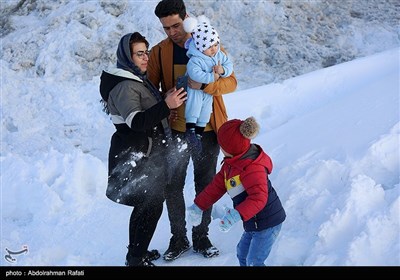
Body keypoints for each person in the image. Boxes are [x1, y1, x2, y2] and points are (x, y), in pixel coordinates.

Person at [147, 0, 237, 261]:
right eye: (166, 28)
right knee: (172, 186)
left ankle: (201, 237)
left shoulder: (209, 43)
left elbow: (231, 81)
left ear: (186, 19)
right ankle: (179, 239)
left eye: (176, 25)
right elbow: (150, 91)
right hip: (174, 132)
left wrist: (206, 86)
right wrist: (165, 101)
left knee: (205, 185)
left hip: (208, 129)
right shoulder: (159, 52)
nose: (172, 32)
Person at [99, 32, 187, 266]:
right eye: (139, 54)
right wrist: (166, 105)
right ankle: (136, 259)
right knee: (151, 206)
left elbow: (147, 108)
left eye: (146, 52)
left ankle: (136, 254)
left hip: (145, 152)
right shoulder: (125, 85)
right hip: (137, 154)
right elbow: (136, 121)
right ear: (127, 56)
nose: (145, 57)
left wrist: (163, 103)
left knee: (145, 205)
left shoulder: (135, 78)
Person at [187, 117, 286, 266]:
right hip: (253, 222)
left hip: (268, 222)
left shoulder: (253, 168)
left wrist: (236, 215)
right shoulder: (230, 164)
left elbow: (259, 198)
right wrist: (198, 206)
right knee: (242, 255)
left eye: (222, 145)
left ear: (230, 147)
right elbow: (215, 187)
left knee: (254, 261)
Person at [182, 15, 234, 153]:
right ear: (199, 47)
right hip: (195, 89)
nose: (214, 48)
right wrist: (212, 76)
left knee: (206, 110)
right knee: (194, 106)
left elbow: (229, 65)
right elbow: (194, 74)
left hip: (208, 91)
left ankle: (198, 134)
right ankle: (190, 129)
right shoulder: (195, 58)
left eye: (216, 44)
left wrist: (223, 70)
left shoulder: (218, 54)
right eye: (209, 46)